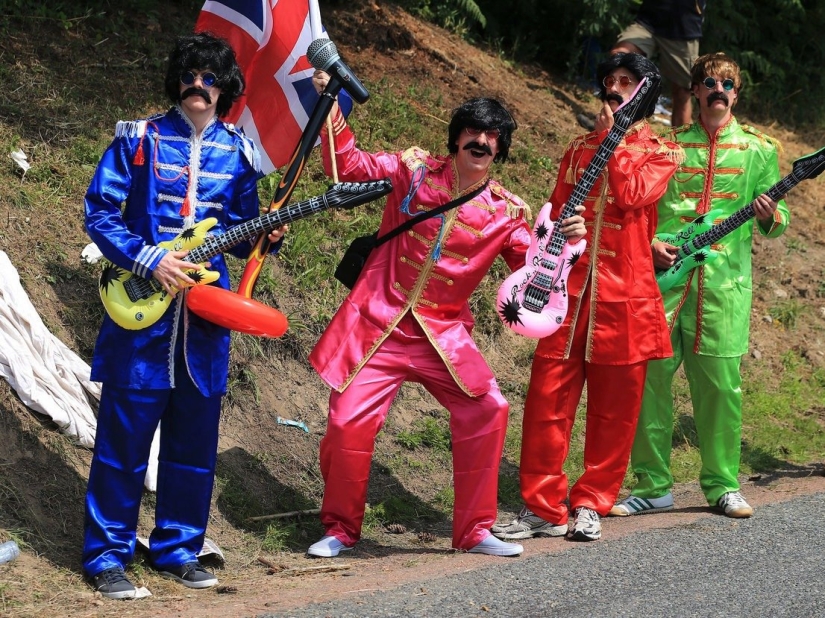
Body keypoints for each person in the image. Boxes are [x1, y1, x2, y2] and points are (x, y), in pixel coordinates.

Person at [306, 69, 586, 558]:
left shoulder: (506, 212)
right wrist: (331, 104)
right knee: (348, 423)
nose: (480, 142)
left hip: (443, 335)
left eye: (491, 138)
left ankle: (475, 530)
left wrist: (567, 241)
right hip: (379, 322)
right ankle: (340, 529)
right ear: (456, 138)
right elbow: (347, 164)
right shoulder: (412, 171)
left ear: (500, 151)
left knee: (489, 408)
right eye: (473, 133)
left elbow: (536, 268)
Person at [82, 32, 286, 599]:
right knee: (123, 442)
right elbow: (100, 211)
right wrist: (148, 258)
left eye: (211, 77)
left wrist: (267, 234)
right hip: (140, 312)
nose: (199, 85)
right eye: (191, 74)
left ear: (227, 89)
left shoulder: (239, 154)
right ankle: (106, 556)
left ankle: (176, 548)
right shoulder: (138, 139)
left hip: (204, 324)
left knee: (194, 444)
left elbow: (244, 238)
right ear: (178, 80)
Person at [492, 53, 682, 543]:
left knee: (615, 410)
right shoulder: (577, 148)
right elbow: (552, 212)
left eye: (627, 81)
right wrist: (561, 230)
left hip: (627, 295)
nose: (615, 88)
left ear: (645, 92)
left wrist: (614, 139)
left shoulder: (660, 149)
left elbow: (634, 193)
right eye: (610, 81)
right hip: (566, 291)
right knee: (546, 399)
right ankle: (541, 506)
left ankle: (591, 502)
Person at [612, 52, 789, 519]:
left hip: (724, 288)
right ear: (693, 90)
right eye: (709, 82)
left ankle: (722, 485)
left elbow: (780, 219)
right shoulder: (667, 147)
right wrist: (650, 243)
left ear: (737, 93)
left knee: (720, 391)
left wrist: (771, 217)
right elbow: (643, 211)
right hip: (664, 285)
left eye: (727, 84)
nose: (718, 90)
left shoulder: (759, 150)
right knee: (648, 384)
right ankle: (653, 485)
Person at [612, 0, 707, 127]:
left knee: (682, 93)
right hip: (649, 21)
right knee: (620, 58)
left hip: (683, 29)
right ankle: (609, 128)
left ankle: (681, 143)